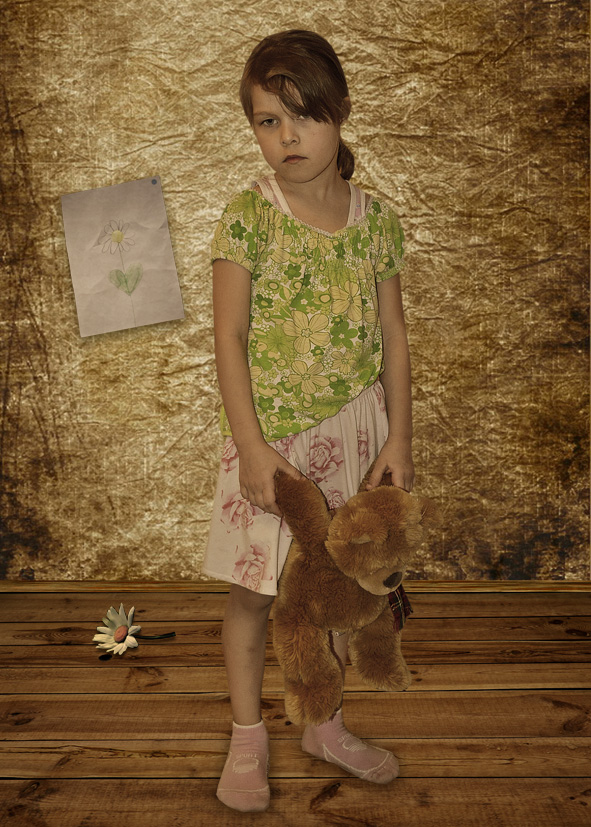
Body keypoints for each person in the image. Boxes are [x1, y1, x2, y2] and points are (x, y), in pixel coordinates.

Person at [201, 29, 414, 813]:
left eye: (303, 115)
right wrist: (250, 446)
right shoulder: (248, 218)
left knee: (337, 588)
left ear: (341, 111)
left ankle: (325, 724)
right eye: (268, 120)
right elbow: (228, 336)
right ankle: (247, 733)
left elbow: (393, 335)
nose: (286, 136)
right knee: (255, 593)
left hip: (354, 433)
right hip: (274, 445)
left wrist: (398, 436)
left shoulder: (375, 221)